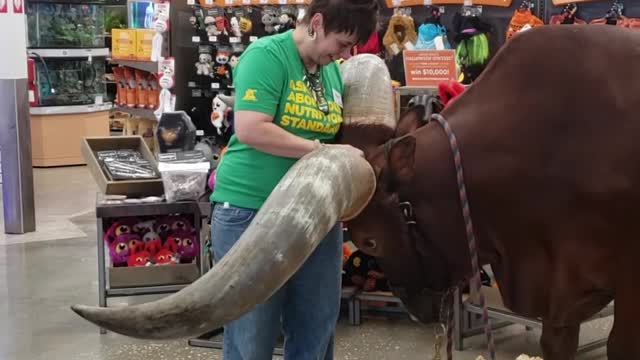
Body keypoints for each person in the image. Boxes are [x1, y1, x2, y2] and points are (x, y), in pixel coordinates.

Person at [209, 0, 379, 359]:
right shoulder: (266, 56)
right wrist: (324, 151)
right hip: (251, 211)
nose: (346, 53)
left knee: (315, 328)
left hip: (315, 217)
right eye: (343, 43)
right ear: (317, 22)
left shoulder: (329, 71)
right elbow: (252, 129)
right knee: (251, 335)